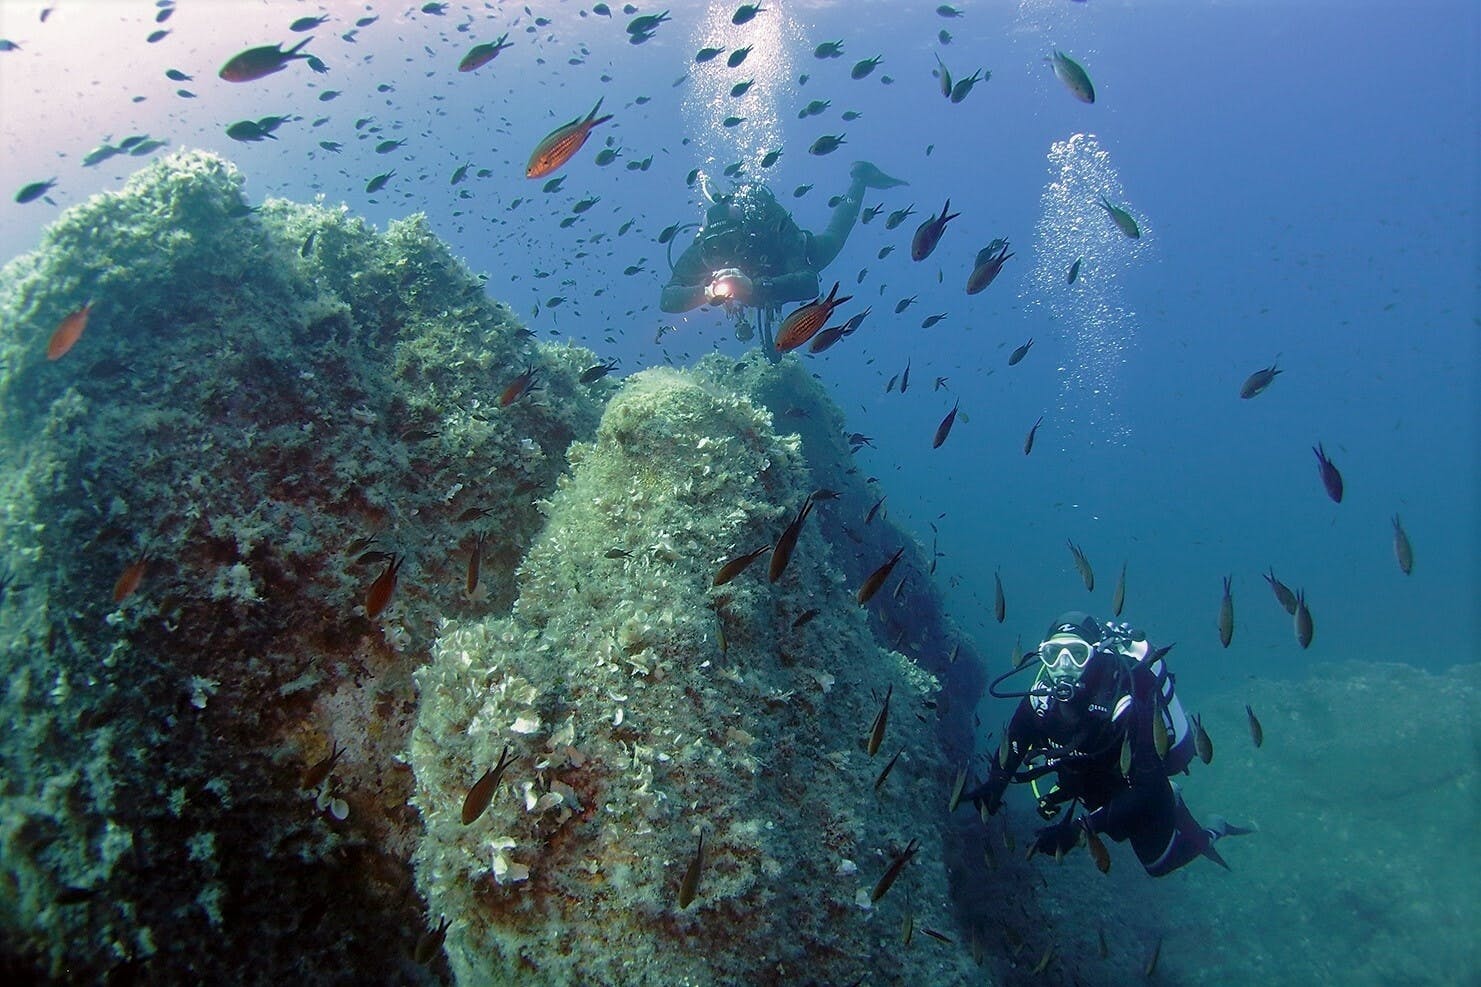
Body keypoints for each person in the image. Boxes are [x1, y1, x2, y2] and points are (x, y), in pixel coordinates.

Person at [964, 612, 1251, 877]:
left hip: (1137, 785)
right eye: (1053, 654)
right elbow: (1015, 739)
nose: (1063, 665)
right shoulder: (1042, 697)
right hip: (1090, 784)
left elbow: (1146, 788)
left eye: (1077, 654)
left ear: (1094, 655)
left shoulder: (1122, 704)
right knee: (1121, 831)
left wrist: (1081, 829)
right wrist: (996, 782)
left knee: (1160, 864)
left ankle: (1214, 829)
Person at [660, 161, 906, 350]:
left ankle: (860, 179)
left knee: (834, 238)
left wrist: (755, 286)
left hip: (791, 258)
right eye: (716, 246)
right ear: (705, 243)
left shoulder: (769, 228)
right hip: (759, 283)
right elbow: (667, 299)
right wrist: (708, 292)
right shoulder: (705, 247)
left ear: (745, 233)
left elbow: (809, 284)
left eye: (732, 242)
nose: (725, 252)